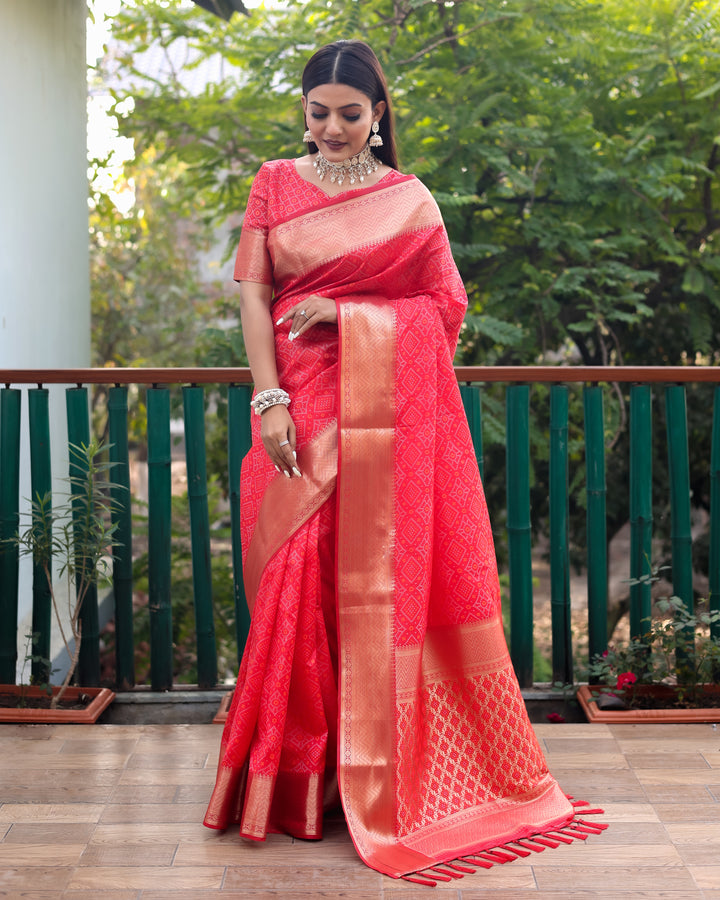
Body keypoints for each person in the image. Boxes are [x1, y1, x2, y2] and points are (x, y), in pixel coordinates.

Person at [204, 39, 603, 883]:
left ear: (379, 113)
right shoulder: (276, 181)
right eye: (319, 114)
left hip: (380, 401)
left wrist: (345, 309)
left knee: (373, 582)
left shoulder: (408, 200)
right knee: (296, 574)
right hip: (299, 399)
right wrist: (267, 398)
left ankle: (374, 775)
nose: (333, 129)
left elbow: (443, 305)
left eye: (351, 114)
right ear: (303, 112)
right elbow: (251, 290)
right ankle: (292, 785)